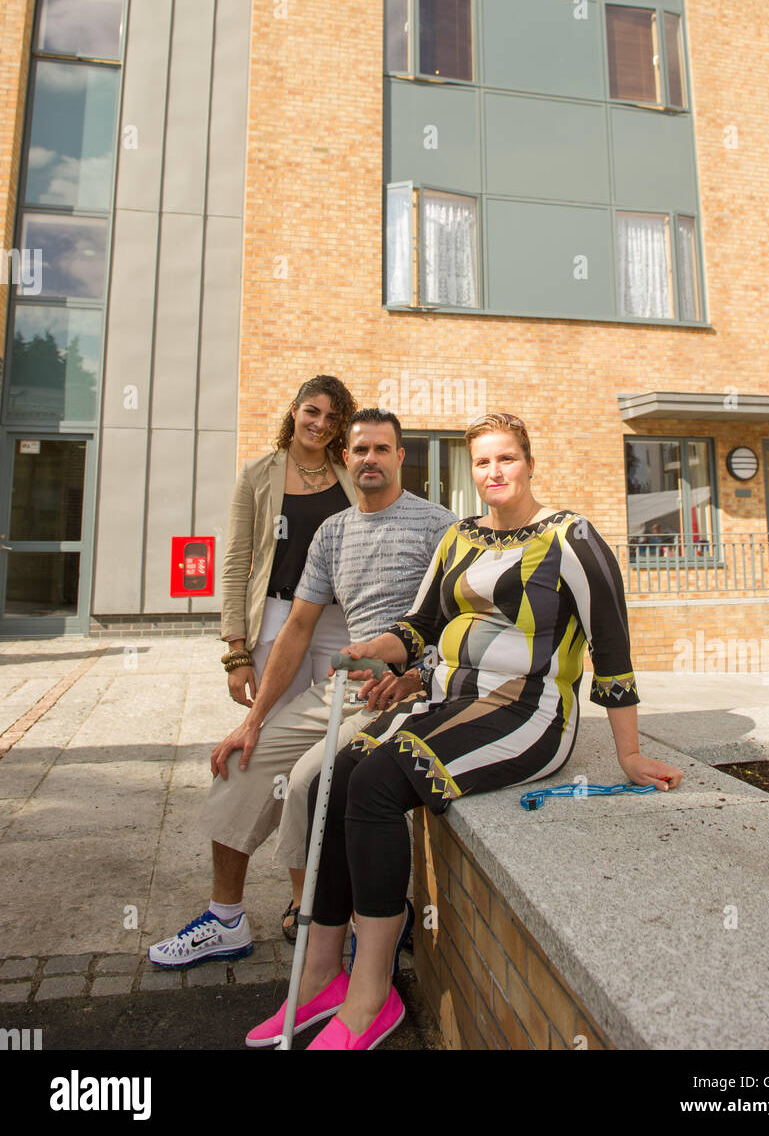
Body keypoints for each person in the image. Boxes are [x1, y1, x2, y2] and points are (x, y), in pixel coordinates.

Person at [245, 411, 684, 1051]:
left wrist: (631, 753)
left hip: (525, 712)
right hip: (448, 698)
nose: (494, 472)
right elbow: (422, 624)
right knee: (329, 782)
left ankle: (372, 992)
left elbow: (611, 648)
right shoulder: (461, 537)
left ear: (529, 463)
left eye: (506, 459)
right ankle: (320, 977)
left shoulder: (571, 537)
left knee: (372, 788)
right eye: (482, 461)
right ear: (470, 470)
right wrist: (379, 643)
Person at [147, 409, 455, 970]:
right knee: (244, 760)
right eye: (359, 450)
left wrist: (419, 674)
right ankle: (225, 919)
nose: (369, 460)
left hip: (405, 694)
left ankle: (344, 925)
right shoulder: (332, 532)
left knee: (313, 780)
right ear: (345, 458)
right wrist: (253, 719)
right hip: (341, 690)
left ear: (400, 457)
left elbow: (457, 622)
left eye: (381, 449)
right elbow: (297, 627)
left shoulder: (438, 526)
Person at [219, 374, 357, 941]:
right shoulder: (259, 473)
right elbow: (235, 561)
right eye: (312, 411)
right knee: (268, 754)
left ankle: (307, 901)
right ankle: (249, 905)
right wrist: (235, 650)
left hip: (336, 622)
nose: (319, 424)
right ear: (295, 411)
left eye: (331, 417)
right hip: (278, 620)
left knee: (321, 758)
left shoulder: (349, 477)